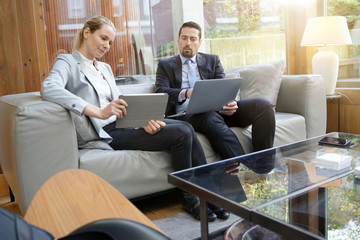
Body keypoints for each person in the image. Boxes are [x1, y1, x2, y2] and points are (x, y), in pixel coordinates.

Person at [41, 16, 222, 222]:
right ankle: (191, 198)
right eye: (103, 38)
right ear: (86, 33)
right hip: (106, 131)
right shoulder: (67, 62)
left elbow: (120, 102)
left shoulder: (105, 68)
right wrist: (98, 111)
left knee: (185, 128)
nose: (107, 46)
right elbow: (49, 88)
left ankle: (209, 195)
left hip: (124, 123)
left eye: (110, 42)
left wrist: (144, 118)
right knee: (181, 133)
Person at [155, 21, 275, 160]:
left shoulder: (212, 60)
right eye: (184, 38)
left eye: (193, 39)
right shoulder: (165, 65)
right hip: (186, 115)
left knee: (263, 106)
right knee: (209, 117)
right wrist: (186, 93)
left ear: (199, 42)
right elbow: (161, 91)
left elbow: (224, 88)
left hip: (217, 111)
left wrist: (230, 103)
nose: (188, 42)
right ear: (178, 40)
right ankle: (244, 169)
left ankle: (263, 165)